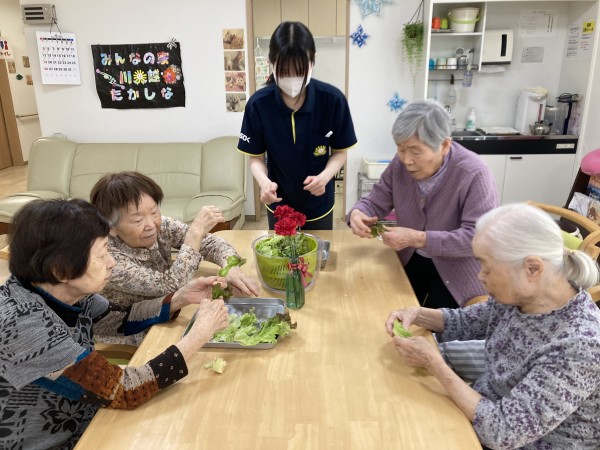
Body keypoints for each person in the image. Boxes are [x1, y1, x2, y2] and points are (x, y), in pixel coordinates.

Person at [0, 199, 230, 449]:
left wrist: (179, 298)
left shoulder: (66, 292)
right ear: (61, 271)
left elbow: (120, 320)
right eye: (101, 256)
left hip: (88, 417)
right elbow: (124, 390)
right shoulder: (25, 325)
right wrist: (198, 335)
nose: (111, 263)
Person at [386, 203, 600, 448]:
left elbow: (503, 432)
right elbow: (465, 321)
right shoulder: (523, 295)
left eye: (487, 268)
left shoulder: (580, 345)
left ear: (532, 268)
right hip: (484, 412)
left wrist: (434, 363)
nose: (480, 276)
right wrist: (418, 314)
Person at [349, 99, 498, 308]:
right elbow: (376, 200)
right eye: (400, 149)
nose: (406, 160)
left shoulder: (473, 173)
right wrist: (358, 212)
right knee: (379, 305)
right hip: (410, 258)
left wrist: (418, 238)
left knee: (432, 323)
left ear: (444, 145)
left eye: (415, 151)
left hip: (456, 272)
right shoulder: (400, 164)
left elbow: (479, 239)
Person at [238, 21, 357, 230]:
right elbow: (255, 157)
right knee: (280, 250)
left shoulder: (333, 100)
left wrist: (324, 177)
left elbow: (340, 152)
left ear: (313, 60)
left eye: (299, 70)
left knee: (319, 250)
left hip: (319, 203)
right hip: (278, 204)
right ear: (271, 63)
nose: (293, 78)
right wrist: (264, 183)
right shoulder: (258, 105)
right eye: (285, 71)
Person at [90, 171, 260, 310]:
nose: (151, 225)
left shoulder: (161, 224)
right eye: (137, 220)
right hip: (135, 328)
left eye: (154, 212)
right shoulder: (107, 259)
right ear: (110, 226)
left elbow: (211, 243)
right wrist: (195, 234)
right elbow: (169, 285)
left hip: (169, 309)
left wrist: (230, 266)